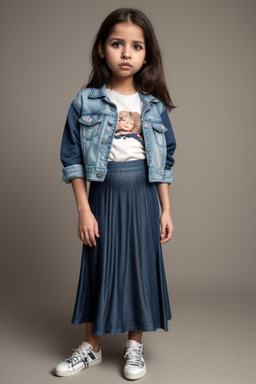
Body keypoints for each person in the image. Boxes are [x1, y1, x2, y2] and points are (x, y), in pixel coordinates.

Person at [54, 7, 177, 381]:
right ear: (101, 50)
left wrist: (166, 210)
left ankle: (134, 347)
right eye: (117, 44)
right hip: (103, 197)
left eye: (136, 46)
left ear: (146, 54)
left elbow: (165, 160)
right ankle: (90, 348)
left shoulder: (153, 106)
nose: (126, 53)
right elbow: (72, 158)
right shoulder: (85, 101)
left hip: (142, 196)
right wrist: (83, 209)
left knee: (140, 266)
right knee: (98, 266)